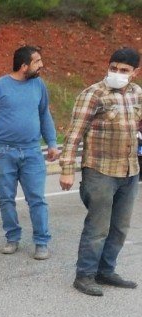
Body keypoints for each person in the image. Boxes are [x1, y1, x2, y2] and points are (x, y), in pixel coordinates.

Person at [59, 47, 141, 297]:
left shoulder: (137, 93)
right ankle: (84, 275)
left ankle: (106, 270)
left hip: (129, 170)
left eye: (124, 70)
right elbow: (74, 133)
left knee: (120, 227)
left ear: (135, 73)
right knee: (98, 227)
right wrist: (67, 170)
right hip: (100, 171)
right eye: (113, 68)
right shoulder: (93, 94)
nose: (117, 73)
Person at [0, 46, 60, 260]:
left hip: (32, 151)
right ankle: (12, 237)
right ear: (24, 66)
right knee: (6, 199)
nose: (41, 65)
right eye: (37, 61)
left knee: (37, 199)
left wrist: (52, 143)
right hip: (3, 151)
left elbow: (44, 115)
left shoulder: (38, 85)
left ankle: (41, 242)